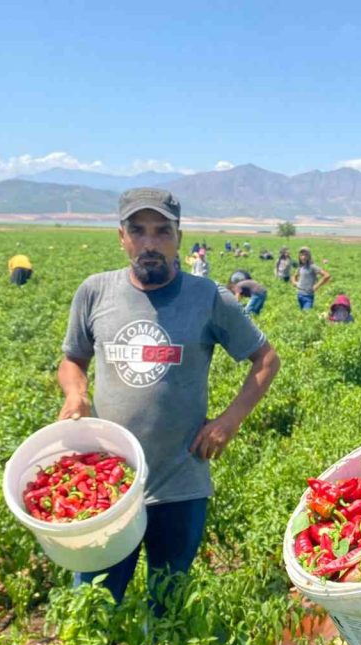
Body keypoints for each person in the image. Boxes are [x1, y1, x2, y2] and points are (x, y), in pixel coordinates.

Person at [57, 188, 280, 615]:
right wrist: (75, 393)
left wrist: (229, 421)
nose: (150, 242)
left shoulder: (208, 297)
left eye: (162, 231)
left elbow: (266, 359)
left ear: (179, 238)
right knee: (94, 605)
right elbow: (72, 360)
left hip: (180, 482)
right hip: (107, 485)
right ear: (121, 237)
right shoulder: (95, 292)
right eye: (138, 231)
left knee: (168, 605)